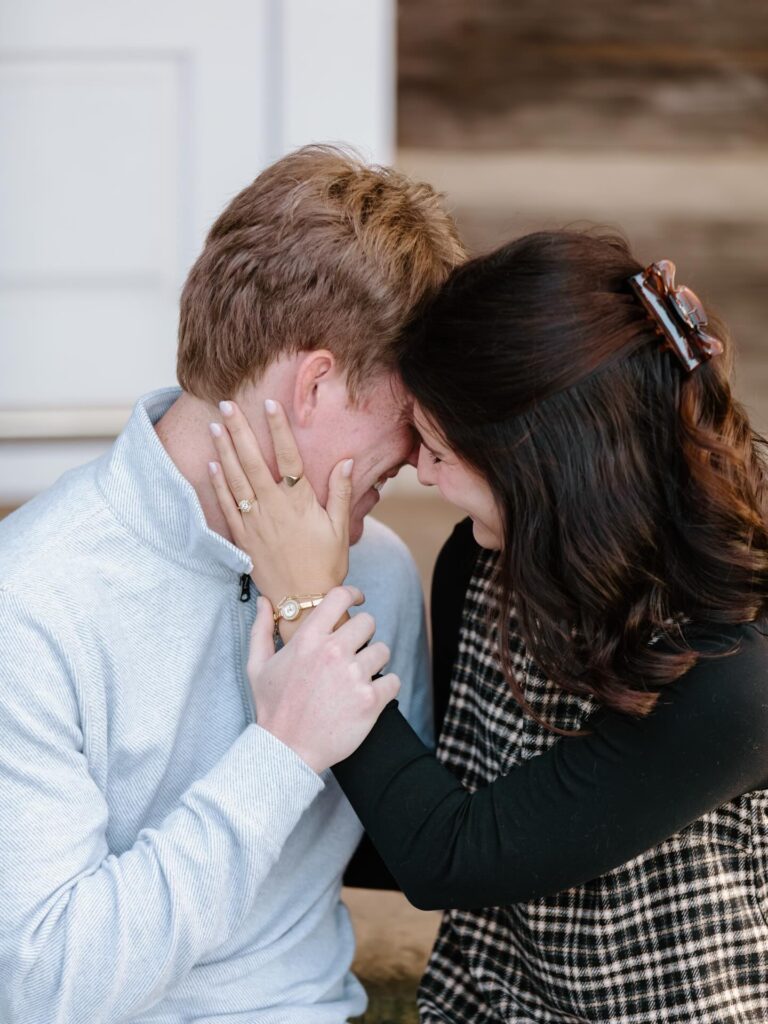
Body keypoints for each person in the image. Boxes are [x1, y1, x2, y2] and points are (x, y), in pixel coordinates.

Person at [213, 230, 768, 1022]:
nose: (419, 469)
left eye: (440, 448)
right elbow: (423, 806)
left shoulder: (729, 669)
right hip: (490, 1001)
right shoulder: (484, 565)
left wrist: (309, 607)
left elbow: (451, 853)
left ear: (545, 467)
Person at [0, 145, 466, 1023]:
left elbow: (427, 843)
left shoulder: (378, 574)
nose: (416, 455)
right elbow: (45, 987)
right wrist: (282, 753)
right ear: (316, 384)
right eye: (405, 417)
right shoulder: (29, 603)